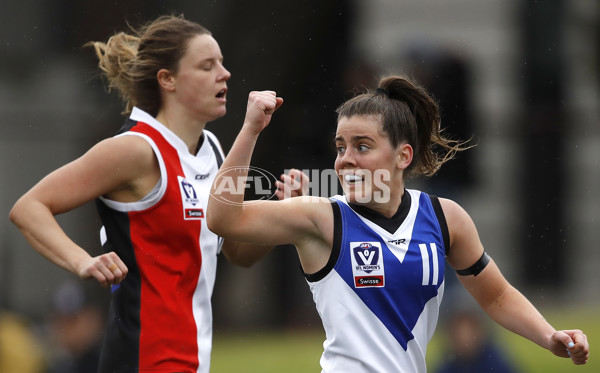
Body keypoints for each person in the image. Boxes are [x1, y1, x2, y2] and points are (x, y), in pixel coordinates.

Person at [206, 76, 590, 372]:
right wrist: (251, 129)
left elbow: (497, 295)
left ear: (402, 155)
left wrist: (549, 335)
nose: (345, 160)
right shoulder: (322, 218)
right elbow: (223, 218)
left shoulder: (444, 217)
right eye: (340, 147)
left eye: (362, 146)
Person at [9, 14, 305, 373]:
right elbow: (29, 208)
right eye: (207, 65)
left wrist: (283, 211)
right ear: (168, 80)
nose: (224, 74)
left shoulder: (211, 149)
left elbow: (238, 252)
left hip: (194, 362)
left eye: (223, 64)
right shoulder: (134, 149)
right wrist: (82, 261)